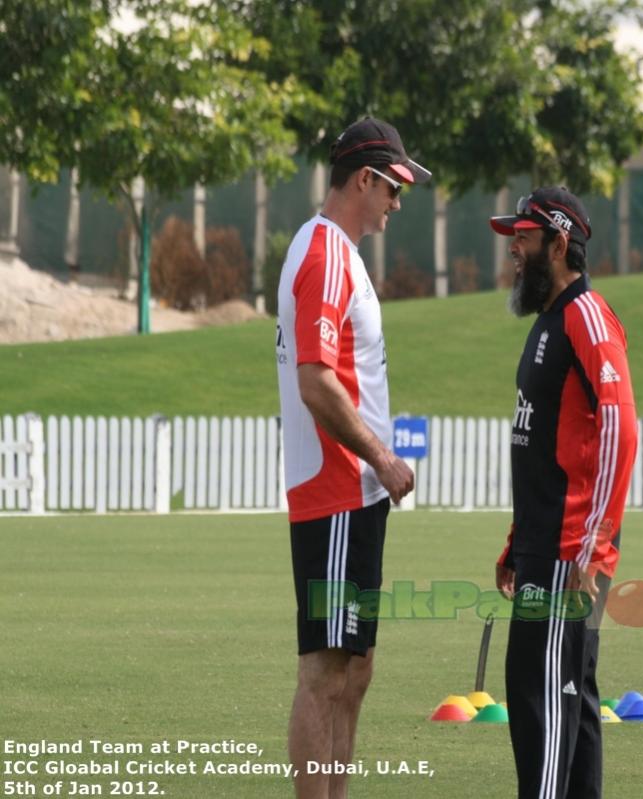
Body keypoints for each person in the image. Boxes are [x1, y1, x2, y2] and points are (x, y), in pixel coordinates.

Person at [275, 116, 430, 799]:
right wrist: (383, 458)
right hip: (337, 490)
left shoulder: (339, 252)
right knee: (327, 671)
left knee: (355, 667)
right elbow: (317, 382)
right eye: (393, 187)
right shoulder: (325, 255)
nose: (398, 203)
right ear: (363, 179)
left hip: (356, 495)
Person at [489, 187, 639, 799]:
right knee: (566, 694)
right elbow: (550, 449)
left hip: (569, 552)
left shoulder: (586, 315)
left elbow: (620, 430)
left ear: (559, 243)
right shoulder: (550, 321)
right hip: (545, 546)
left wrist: (593, 545)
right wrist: (517, 543)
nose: (514, 253)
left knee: (541, 693)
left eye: (523, 239)